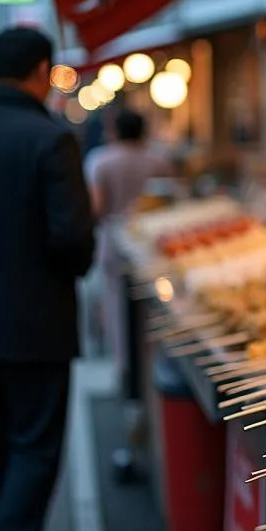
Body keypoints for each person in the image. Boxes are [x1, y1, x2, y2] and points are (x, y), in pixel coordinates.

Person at [0, 26, 95, 531]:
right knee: (34, 443)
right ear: (42, 70)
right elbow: (73, 240)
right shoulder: (49, 140)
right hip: (34, 319)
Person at [89, 109, 171, 374]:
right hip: (154, 240)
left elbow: (97, 207)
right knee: (154, 309)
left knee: (116, 304)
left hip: (113, 240)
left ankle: (125, 367)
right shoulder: (158, 161)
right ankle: (149, 366)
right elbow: (171, 200)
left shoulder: (101, 161)